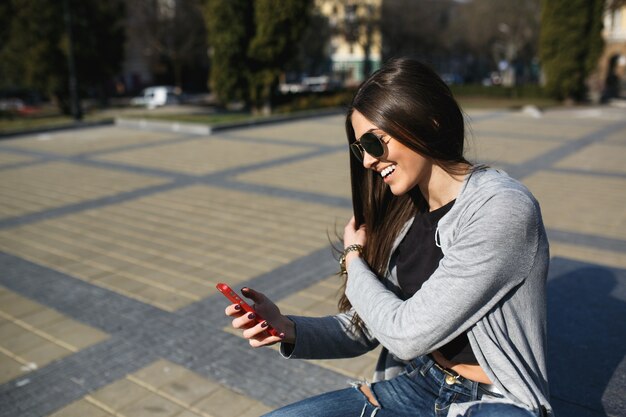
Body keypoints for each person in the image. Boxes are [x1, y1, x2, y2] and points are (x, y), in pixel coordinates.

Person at [224, 57, 552, 417]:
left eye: (374, 143)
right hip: (418, 385)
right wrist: (287, 328)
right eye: (359, 148)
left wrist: (353, 259)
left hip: (494, 401)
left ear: (429, 122)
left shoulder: (502, 209)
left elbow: (405, 333)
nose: (366, 160)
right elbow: (370, 325)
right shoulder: (406, 213)